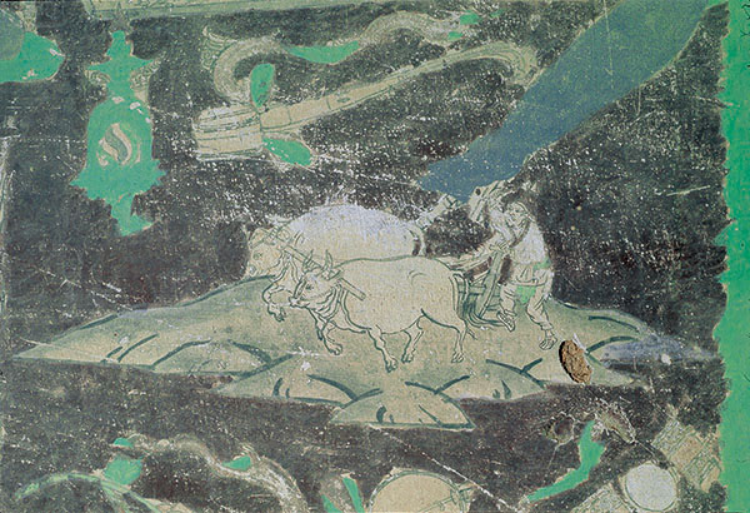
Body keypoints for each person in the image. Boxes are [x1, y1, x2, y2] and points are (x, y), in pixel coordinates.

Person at [493, 202, 557, 350]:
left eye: (517, 211)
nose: (512, 213)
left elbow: (528, 254)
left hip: (536, 272)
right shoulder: (513, 227)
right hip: (520, 269)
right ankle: (509, 317)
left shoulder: (532, 232)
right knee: (506, 291)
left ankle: (550, 334)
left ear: (525, 215)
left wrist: (508, 250)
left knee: (533, 309)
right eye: (511, 209)